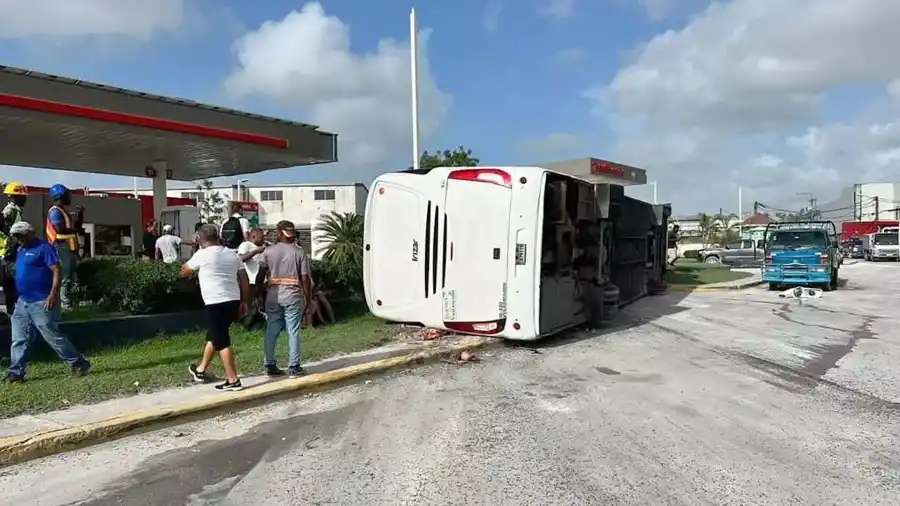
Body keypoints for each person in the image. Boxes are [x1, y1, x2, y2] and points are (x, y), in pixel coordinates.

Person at [3, 222, 90, 383]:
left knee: (52, 336)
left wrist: (53, 295)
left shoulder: (44, 248)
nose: (18, 238)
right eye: (15, 235)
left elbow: (57, 270)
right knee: (19, 339)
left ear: (30, 232)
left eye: (20, 235)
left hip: (41, 301)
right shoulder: (21, 250)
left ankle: (78, 362)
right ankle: (16, 372)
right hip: (23, 302)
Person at [181, 224, 251, 391]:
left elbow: (183, 272)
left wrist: (195, 256)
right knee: (215, 333)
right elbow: (244, 280)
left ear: (199, 239)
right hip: (233, 300)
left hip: (215, 301)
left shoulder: (202, 254)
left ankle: (233, 379)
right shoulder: (232, 254)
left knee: (221, 340)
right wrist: (245, 302)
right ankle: (201, 370)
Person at [259, 220, 312, 377]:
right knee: (293, 330)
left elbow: (260, 276)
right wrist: (308, 298)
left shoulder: (268, 252)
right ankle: (294, 367)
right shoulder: (299, 252)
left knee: (271, 330)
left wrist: (260, 295)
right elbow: (305, 279)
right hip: (293, 295)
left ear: (279, 232)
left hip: (273, 296)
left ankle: (269, 365)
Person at [46, 184, 82, 309]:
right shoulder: (55, 212)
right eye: (68, 194)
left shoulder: (63, 211)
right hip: (60, 248)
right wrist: (76, 229)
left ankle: (69, 303)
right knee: (65, 277)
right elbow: (59, 229)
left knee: (71, 277)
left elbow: (74, 226)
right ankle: (64, 305)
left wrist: (80, 214)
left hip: (69, 248)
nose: (70, 197)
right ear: (61, 196)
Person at [0, 182, 28, 315]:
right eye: (23, 196)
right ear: (15, 196)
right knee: (17, 283)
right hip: (8, 254)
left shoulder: (16, 211)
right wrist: (10, 235)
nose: (25, 198)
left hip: (10, 253)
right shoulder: (10, 210)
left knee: (10, 287)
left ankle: (13, 314)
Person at [236, 228, 267, 329]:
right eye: (261, 237)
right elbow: (240, 259)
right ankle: (246, 324)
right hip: (250, 280)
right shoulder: (246, 245)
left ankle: (257, 324)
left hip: (260, 281)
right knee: (251, 305)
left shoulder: (260, 247)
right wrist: (256, 252)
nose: (263, 239)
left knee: (258, 304)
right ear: (254, 237)